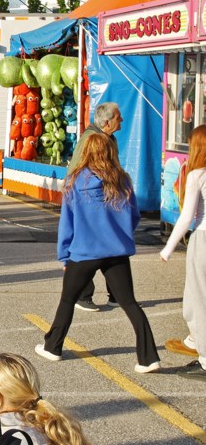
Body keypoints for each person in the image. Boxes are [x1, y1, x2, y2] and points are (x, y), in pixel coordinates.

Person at [36, 132, 161, 373]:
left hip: (84, 251)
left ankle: (53, 347)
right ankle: (148, 357)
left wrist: (64, 254)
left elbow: (67, 224)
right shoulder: (123, 181)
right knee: (129, 303)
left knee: (68, 300)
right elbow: (134, 216)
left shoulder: (75, 181)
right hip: (116, 251)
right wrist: (119, 232)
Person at [160, 124, 206, 381]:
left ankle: (204, 359)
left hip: (203, 239)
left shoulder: (197, 175)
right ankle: (194, 340)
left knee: (196, 299)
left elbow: (187, 216)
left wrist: (168, 248)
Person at [67, 102, 123, 312]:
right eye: (119, 118)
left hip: (106, 202)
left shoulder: (110, 138)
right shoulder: (90, 139)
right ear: (107, 122)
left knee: (110, 247)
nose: (122, 121)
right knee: (89, 249)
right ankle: (82, 295)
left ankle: (116, 294)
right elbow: (76, 170)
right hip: (91, 203)